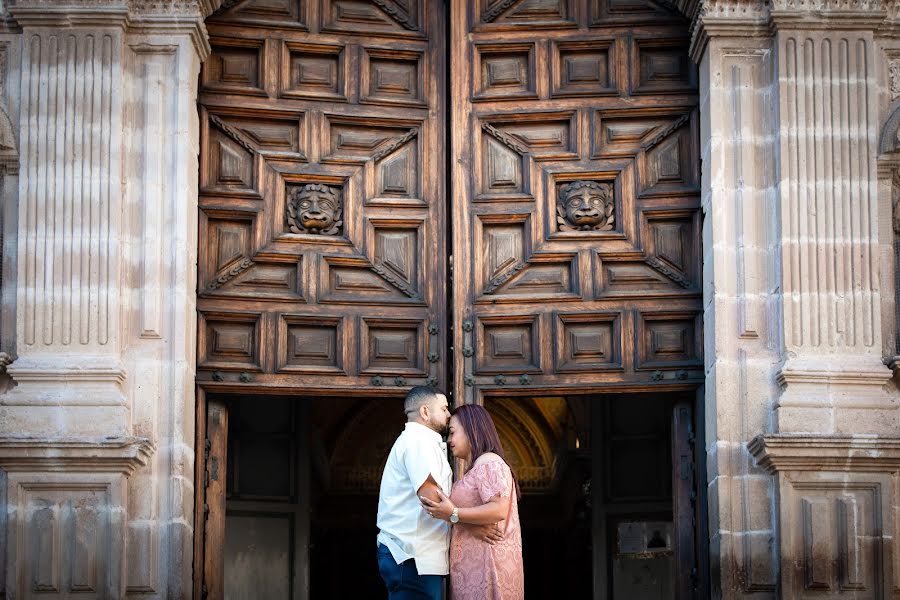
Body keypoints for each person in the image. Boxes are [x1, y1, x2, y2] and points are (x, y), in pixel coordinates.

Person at [376, 387, 503, 600]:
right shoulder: (418, 441)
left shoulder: (421, 442)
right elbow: (431, 499)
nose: (448, 414)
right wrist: (469, 526)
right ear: (425, 412)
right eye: (444, 408)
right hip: (412, 557)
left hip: (416, 557)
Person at [420, 404, 525, 600]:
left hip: (488, 566)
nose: (449, 440)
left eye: (452, 432)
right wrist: (460, 521)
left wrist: (454, 514)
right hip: (474, 570)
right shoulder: (478, 467)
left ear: (471, 429)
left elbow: (499, 509)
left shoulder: (489, 461)